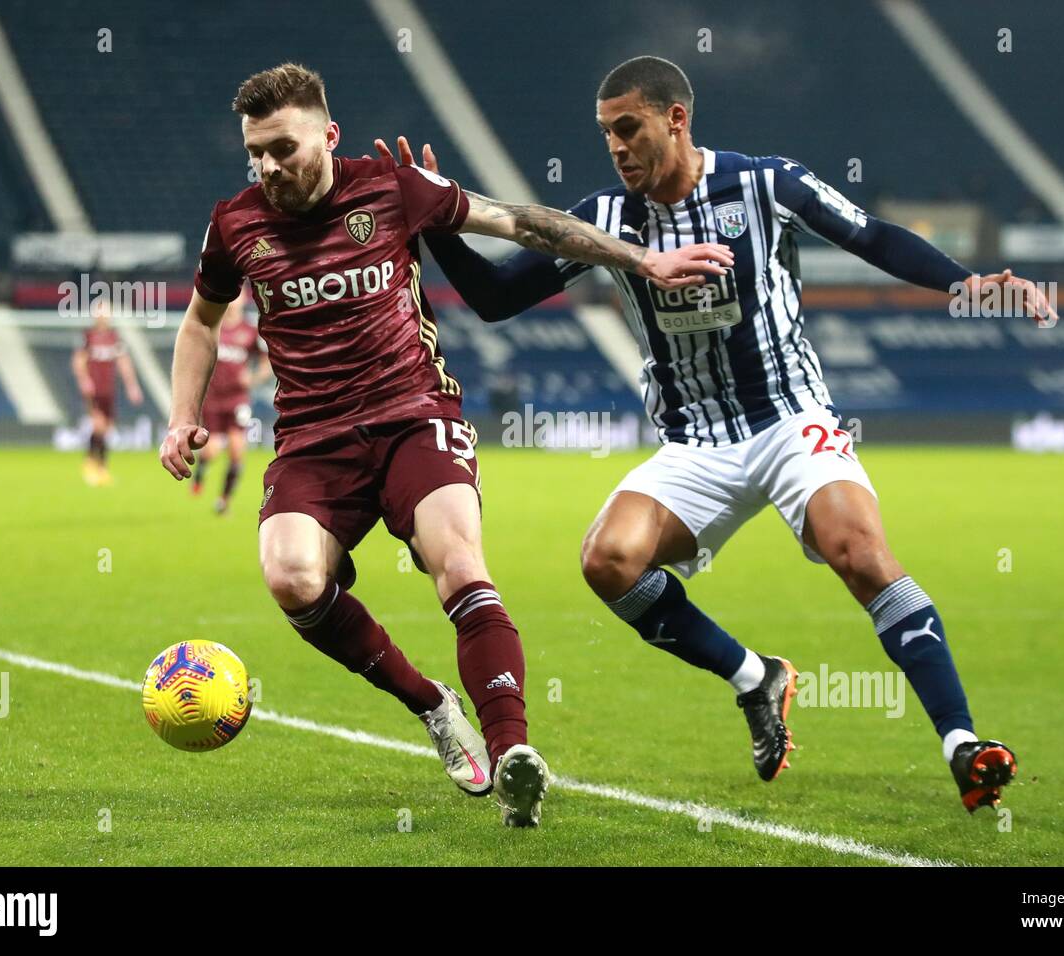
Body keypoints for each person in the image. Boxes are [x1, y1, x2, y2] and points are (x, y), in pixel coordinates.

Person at [407, 55, 1058, 813]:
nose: (615, 148)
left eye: (628, 128)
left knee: (861, 552)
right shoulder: (608, 222)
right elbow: (494, 297)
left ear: (675, 119)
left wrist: (965, 284)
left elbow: (871, 235)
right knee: (608, 560)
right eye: (605, 134)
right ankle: (756, 678)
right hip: (694, 445)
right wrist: (439, 223)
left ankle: (962, 744)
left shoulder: (764, 183)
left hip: (789, 419)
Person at [158, 62, 732, 827]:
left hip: (414, 416)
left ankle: (512, 752)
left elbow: (524, 223)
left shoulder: (391, 190)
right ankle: (431, 706)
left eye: (283, 149)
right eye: (255, 152)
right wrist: (179, 416)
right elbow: (201, 320)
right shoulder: (235, 223)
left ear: (328, 136)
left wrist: (643, 260)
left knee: (457, 563)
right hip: (312, 440)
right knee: (293, 579)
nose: (268, 167)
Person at [192, 288, 272, 514]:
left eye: (237, 297)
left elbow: (267, 362)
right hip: (213, 398)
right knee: (213, 448)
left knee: (238, 451)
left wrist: (253, 377)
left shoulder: (249, 331)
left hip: (238, 399)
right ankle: (201, 469)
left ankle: (224, 501)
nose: (234, 301)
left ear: (243, 299)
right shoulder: (213, 327)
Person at [72, 300, 143, 486]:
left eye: (106, 312)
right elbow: (79, 360)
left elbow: (123, 362)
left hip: (109, 390)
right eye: (100, 312)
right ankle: (92, 463)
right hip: (93, 390)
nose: (103, 316)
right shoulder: (87, 336)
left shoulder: (115, 337)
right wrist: (84, 380)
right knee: (99, 426)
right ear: (94, 315)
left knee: (106, 429)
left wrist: (132, 386)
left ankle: (98, 466)